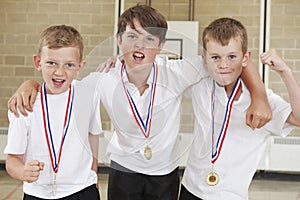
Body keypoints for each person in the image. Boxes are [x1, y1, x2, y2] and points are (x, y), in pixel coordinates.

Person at [7, 5, 271, 200]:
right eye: (132, 36)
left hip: (165, 176)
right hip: (123, 173)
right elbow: (63, 83)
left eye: (149, 39)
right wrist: (29, 85)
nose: (139, 45)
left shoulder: (176, 72)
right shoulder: (104, 78)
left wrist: (258, 95)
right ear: (119, 40)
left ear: (162, 45)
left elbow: (227, 60)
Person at [178, 17, 300, 200]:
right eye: (215, 57)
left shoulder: (263, 102)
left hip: (230, 195)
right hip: (190, 190)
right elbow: (158, 69)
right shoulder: (201, 82)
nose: (223, 65)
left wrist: (286, 73)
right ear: (205, 59)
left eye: (232, 57)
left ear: (246, 58)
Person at [4, 25, 102, 200]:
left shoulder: (89, 95)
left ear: (80, 67)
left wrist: (93, 170)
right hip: (38, 193)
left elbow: (92, 134)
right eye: (51, 63)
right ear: (38, 62)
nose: (59, 72)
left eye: (69, 65)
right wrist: (23, 172)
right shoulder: (24, 104)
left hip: (83, 190)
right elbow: (12, 160)